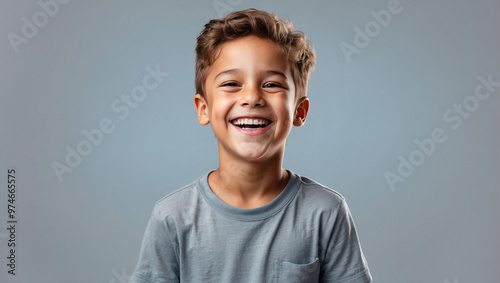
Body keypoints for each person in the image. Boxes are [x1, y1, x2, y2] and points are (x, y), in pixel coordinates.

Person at [130, 8, 372, 283]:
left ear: (299, 111)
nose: (252, 97)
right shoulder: (171, 218)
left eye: (271, 84)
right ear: (203, 108)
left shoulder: (326, 212)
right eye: (232, 83)